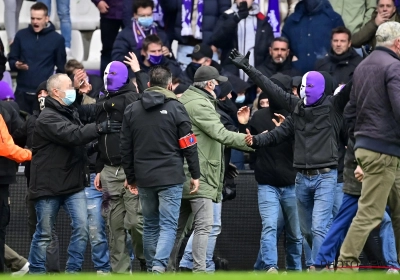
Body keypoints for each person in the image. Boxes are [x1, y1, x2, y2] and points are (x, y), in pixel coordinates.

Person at [229, 49, 350, 269]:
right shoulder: (297, 108)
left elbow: (353, 86)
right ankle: (324, 262)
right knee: (305, 231)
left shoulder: (333, 107)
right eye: (304, 86)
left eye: (310, 86)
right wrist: (255, 141)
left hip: (325, 177)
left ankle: (319, 268)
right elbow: (270, 90)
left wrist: (376, 57)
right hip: (301, 178)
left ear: (321, 89)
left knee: (318, 227)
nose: (306, 90)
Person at [27, 73, 115, 274]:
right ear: (56, 92)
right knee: (44, 234)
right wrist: (100, 128)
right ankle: (36, 273)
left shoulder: (69, 112)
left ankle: (72, 272)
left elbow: (77, 146)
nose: (72, 90)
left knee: (83, 229)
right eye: (69, 86)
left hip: (72, 184)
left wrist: (96, 147)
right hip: (48, 186)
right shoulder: (47, 117)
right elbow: (73, 135)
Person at [168, 65, 252, 272]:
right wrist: (253, 141)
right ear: (210, 84)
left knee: (177, 229)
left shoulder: (188, 99)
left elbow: (203, 139)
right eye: (216, 82)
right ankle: (199, 271)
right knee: (205, 226)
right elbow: (220, 134)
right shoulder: (200, 104)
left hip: (187, 171)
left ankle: (164, 270)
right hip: (200, 174)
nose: (218, 86)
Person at [120, 65, 200, 273]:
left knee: (150, 225)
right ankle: (158, 268)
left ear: (148, 85)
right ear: (170, 85)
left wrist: (131, 176)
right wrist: (195, 174)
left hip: (144, 177)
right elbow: (189, 143)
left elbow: (125, 147)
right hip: (170, 176)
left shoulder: (132, 109)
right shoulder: (176, 107)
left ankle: (151, 270)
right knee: (168, 226)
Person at [314, 83, 400, 273]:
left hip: (364, 174)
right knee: (382, 218)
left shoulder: (358, 115)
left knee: (348, 219)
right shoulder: (359, 117)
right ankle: (392, 265)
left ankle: (322, 261)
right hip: (361, 175)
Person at [337, 21, 400, 271]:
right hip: (385, 150)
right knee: (371, 212)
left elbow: (349, 112)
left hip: (369, 147)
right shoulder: (394, 66)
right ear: (398, 43)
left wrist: (358, 144)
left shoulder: (362, 66)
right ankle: (346, 263)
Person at [238, 75, 302, 274]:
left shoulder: (296, 114)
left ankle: (295, 271)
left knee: (295, 235)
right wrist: (243, 126)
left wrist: (287, 132)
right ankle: (270, 268)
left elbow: (304, 149)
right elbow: (248, 149)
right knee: (269, 227)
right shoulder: (258, 116)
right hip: (267, 184)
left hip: (292, 183)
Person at [94, 60, 145, 273]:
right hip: (107, 172)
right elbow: (100, 138)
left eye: (113, 73)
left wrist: (132, 171)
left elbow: (138, 136)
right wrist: (99, 168)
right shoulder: (102, 99)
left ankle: (146, 259)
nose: (108, 76)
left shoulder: (131, 98)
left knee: (135, 223)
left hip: (128, 171)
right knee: (113, 228)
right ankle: (121, 273)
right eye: (106, 73)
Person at [8, 2, 66, 114]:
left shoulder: (57, 39)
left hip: (44, 94)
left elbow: (61, 69)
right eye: (33, 18)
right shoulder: (21, 35)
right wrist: (16, 64)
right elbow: (11, 60)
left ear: (46, 18)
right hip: (22, 93)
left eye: (39, 18)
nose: (35, 21)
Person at [0, 101, 30, 272]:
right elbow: (7, 148)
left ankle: (18, 263)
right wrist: (31, 154)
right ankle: (18, 263)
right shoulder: (6, 109)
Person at [211, 0, 274, 80]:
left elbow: (269, 51)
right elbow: (216, 40)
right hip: (232, 78)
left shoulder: (262, 20)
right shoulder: (226, 16)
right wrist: (235, 19)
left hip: (256, 79)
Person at [158, 0, 231, 69]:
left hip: (209, 48)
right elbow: (170, 8)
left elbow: (225, 16)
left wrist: (216, 43)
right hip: (185, 46)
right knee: (183, 80)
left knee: (208, 79)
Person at [282, 0, 344, 74]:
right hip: (297, 76)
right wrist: (293, 61)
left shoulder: (333, 18)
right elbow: (282, 47)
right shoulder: (292, 20)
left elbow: (343, 47)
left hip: (327, 75)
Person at [112, 0, 170, 76]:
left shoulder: (161, 34)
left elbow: (171, 61)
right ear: (135, 15)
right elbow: (117, 59)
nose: (146, 18)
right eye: (142, 16)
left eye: (149, 15)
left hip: (158, 76)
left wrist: (168, 54)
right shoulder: (125, 35)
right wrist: (140, 54)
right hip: (134, 75)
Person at [91, 0, 124, 75]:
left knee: (132, 48)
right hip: (109, 12)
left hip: (129, 12)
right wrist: (98, 1)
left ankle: (134, 81)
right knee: (107, 50)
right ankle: (105, 82)